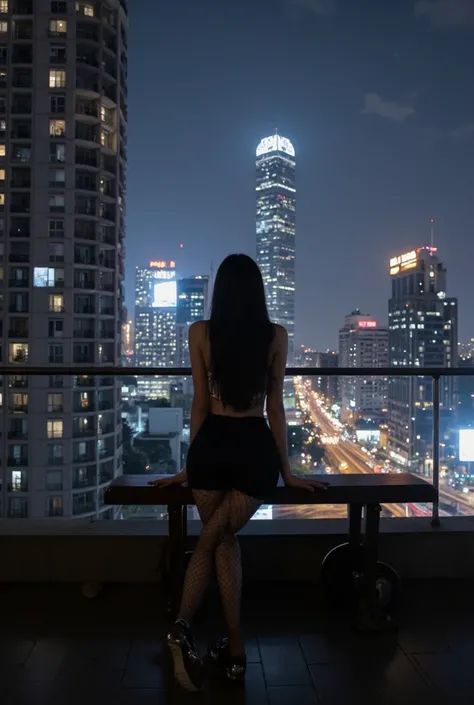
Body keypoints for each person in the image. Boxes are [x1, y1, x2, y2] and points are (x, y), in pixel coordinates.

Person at [149, 254, 328, 692]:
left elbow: (197, 404)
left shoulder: (200, 333)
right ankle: (234, 650)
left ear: (220, 292)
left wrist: (189, 466)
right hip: (253, 451)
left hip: (211, 449)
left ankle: (184, 629)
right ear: (259, 292)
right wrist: (287, 470)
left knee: (213, 540)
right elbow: (275, 409)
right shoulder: (275, 336)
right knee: (222, 542)